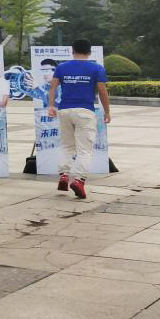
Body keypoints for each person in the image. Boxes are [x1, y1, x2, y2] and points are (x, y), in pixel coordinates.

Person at [47, 39, 110, 200]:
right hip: (85, 112)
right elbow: (102, 91)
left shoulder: (62, 67)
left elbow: (52, 87)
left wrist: (51, 106)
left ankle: (63, 175)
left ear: (72, 50)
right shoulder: (97, 68)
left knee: (67, 146)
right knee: (84, 150)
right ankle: (79, 180)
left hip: (64, 111)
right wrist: (107, 112)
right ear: (89, 52)